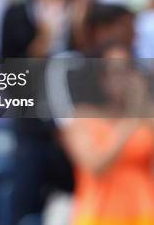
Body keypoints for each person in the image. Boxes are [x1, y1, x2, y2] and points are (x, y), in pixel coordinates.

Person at [61, 42, 154, 225]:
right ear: (101, 77)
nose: (122, 80)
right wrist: (130, 121)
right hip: (98, 215)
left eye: (128, 70)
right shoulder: (81, 118)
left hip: (144, 213)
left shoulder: (145, 115)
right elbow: (96, 166)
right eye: (115, 72)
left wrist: (143, 103)